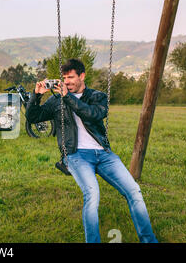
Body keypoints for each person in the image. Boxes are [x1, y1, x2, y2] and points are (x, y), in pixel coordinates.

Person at [26, 58, 158, 243]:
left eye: (71, 77)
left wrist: (68, 97)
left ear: (82, 76)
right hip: (76, 155)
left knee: (134, 191)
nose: (67, 82)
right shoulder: (57, 100)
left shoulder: (98, 96)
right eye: (64, 78)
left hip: (103, 154)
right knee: (92, 195)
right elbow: (33, 117)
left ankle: (149, 240)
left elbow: (92, 114)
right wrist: (36, 95)